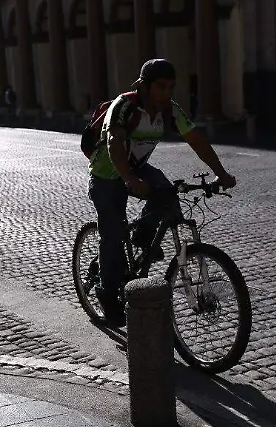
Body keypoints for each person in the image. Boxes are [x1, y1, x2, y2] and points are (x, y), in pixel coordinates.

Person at [87, 58, 237, 327]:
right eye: (160, 87)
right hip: (107, 174)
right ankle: (107, 293)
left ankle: (144, 240)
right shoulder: (124, 106)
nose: (166, 93)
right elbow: (114, 143)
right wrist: (129, 178)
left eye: (171, 87)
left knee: (168, 195)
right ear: (144, 86)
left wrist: (221, 172)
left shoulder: (170, 110)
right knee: (112, 236)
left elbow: (196, 140)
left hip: (137, 168)